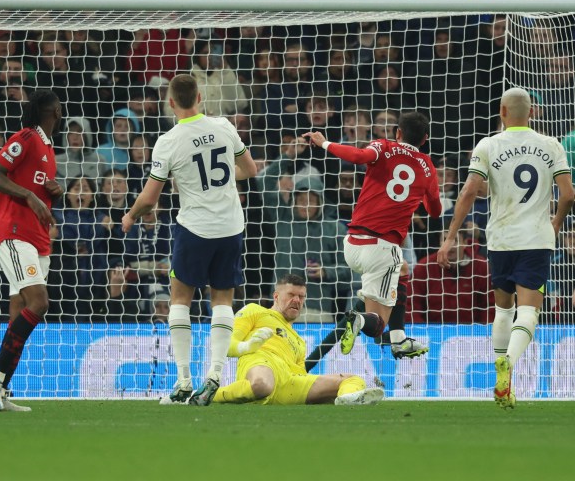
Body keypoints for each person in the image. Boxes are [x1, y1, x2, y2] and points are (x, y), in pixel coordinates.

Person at [122, 73, 259, 406]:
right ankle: (214, 374)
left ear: (170, 103)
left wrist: (130, 215)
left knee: (180, 299)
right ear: (200, 98)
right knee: (222, 301)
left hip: (195, 228)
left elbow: (150, 198)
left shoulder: (169, 141)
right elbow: (250, 169)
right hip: (230, 226)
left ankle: (184, 380)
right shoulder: (225, 126)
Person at [438, 88, 575, 409]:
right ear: (531, 113)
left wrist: (449, 236)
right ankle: (508, 364)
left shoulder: (488, 145)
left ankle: (503, 379)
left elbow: (471, 189)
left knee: (503, 309)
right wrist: (554, 224)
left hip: (500, 239)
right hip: (535, 240)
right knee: (529, 311)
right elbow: (568, 194)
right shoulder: (550, 144)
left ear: (502, 112)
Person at [303, 111, 442, 359]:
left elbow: (357, 156)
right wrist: (420, 195)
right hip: (381, 250)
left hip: (353, 244)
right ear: (425, 139)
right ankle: (357, 320)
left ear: (397, 133)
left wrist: (323, 142)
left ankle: (399, 339)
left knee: (403, 269)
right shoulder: (428, 167)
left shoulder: (383, 146)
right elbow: (435, 211)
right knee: (376, 325)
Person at [0, 89, 64, 413]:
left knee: (19, 314)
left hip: (39, 239)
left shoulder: (47, 148)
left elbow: (36, 192)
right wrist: (30, 195)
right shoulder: (26, 137)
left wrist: (52, 192)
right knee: (39, 303)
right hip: (15, 234)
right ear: (55, 112)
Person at [213, 275, 383, 406]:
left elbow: (301, 375)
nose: (297, 300)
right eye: (291, 295)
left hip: (290, 381)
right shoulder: (255, 311)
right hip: (262, 362)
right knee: (262, 385)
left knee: (353, 380)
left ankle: (347, 400)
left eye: (301, 297)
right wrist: (249, 346)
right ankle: (212, 395)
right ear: (276, 296)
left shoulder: (299, 341)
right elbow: (227, 346)